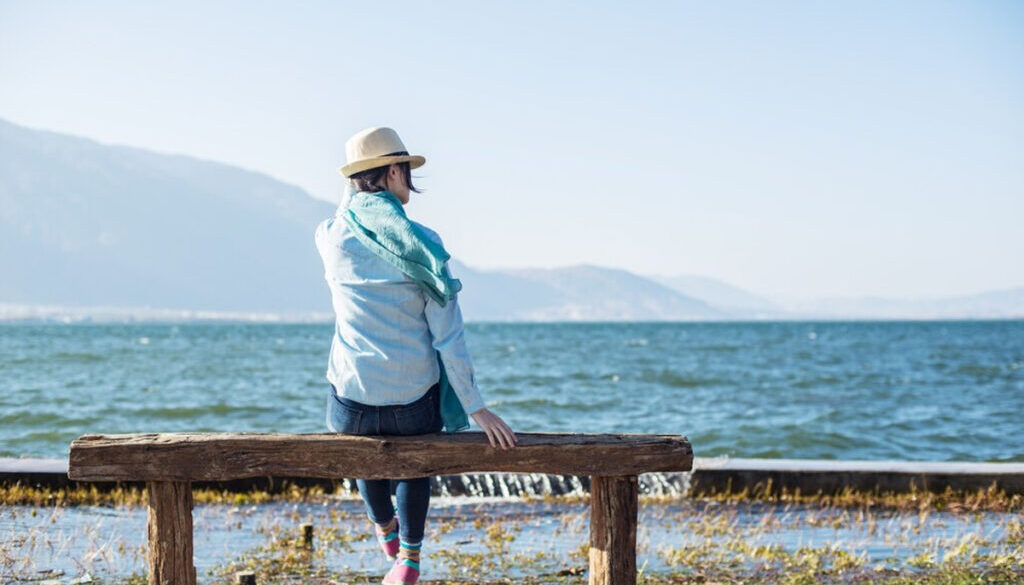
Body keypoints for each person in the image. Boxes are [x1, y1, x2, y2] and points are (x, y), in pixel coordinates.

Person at [315, 126, 517, 585]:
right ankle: (408, 558)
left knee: (365, 450)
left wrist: (355, 187)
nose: (409, 181)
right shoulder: (424, 244)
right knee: (413, 463)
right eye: (404, 171)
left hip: (352, 406)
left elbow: (344, 212)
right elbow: (449, 336)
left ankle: (384, 528)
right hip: (412, 404)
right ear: (391, 171)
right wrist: (476, 407)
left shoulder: (331, 238)